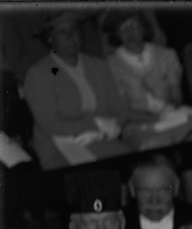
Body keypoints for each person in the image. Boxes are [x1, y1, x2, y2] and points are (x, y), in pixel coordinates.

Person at [23, 11, 140, 168]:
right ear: (49, 38)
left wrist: (105, 131)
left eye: (74, 29)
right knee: (91, 178)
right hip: (59, 149)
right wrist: (94, 123)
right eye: (61, 31)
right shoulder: (38, 74)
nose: (70, 36)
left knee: (135, 163)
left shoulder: (98, 65)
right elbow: (51, 124)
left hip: (102, 139)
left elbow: (120, 110)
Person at [103, 9, 192, 150]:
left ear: (144, 27)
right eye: (123, 28)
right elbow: (123, 112)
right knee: (156, 146)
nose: (130, 32)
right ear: (116, 34)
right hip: (137, 126)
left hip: (171, 117)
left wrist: (168, 109)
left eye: (134, 25)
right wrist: (156, 119)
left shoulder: (167, 55)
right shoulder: (110, 66)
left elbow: (177, 97)